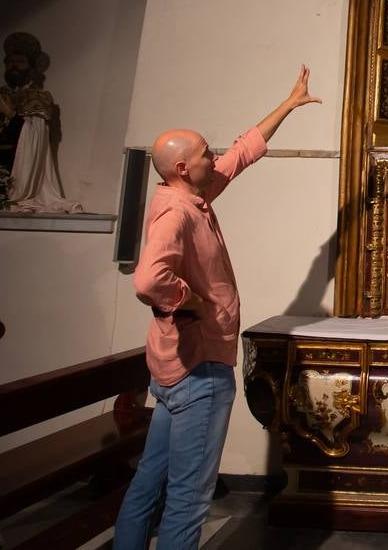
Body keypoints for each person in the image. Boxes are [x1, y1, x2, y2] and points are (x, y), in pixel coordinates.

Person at [113, 66, 321, 550]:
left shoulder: (194, 195)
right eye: (205, 152)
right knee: (189, 497)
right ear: (183, 167)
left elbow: (242, 153)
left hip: (172, 371)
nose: (214, 156)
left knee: (149, 481)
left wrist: (289, 105)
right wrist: (194, 300)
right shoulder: (177, 213)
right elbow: (148, 279)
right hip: (198, 371)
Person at [0, 31, 81, 212]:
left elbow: (36, 135)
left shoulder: (38, 96)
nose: (14, 66)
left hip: (20, 165)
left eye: (20, 62)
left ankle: (18, 193)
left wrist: (11, 115)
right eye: (10, 62)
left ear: (31, 67)